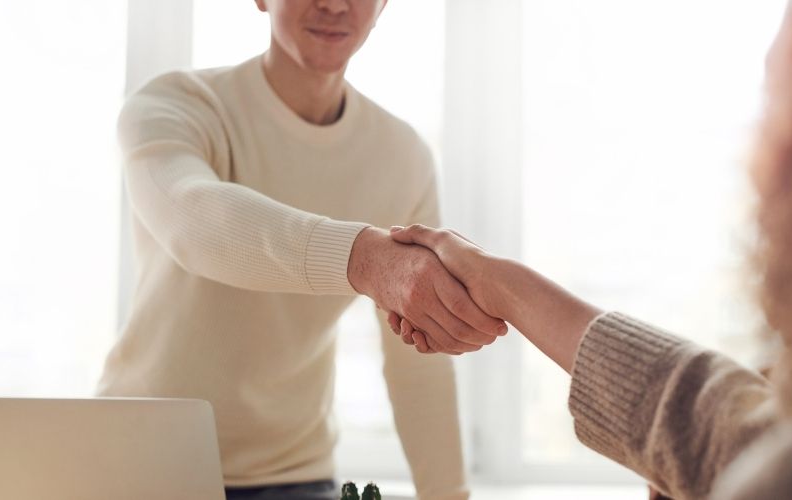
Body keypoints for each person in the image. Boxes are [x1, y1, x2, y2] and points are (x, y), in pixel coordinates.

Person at [387, 0, 792, 498]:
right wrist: (503, 285)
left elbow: (746, 445)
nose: (755, 155)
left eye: (775, 102)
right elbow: (728, 428)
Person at [96, 1, 506, 499]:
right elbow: (194, 220)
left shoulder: (401, 156)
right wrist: (365, 260)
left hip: (295, 476)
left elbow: (417, 358)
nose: (334, 4)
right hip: (137, 462)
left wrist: (449, 495)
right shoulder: (176, 104)